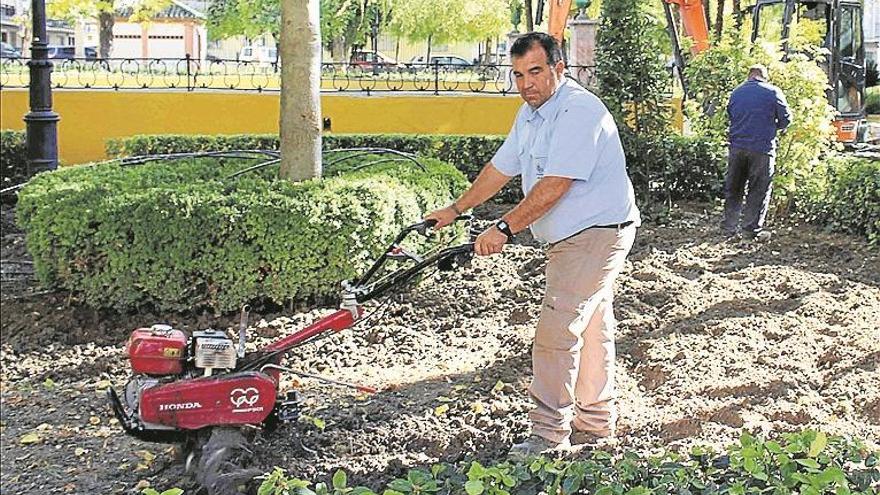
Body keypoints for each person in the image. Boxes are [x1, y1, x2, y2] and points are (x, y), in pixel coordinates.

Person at [425, 32, 640, 458]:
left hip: (596, 232)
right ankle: (596, 423)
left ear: (560, 69)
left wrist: (503, 229)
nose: (527, 84)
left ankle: (547, 435)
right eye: (519, 74)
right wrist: (455, 208)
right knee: (591, 327)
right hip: (574, 236)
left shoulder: (579, 111)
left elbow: (555, 184)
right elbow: (500, 168)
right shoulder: (530, 115)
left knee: (556, 331)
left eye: (536, 72)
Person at [722, 64, 792, 241]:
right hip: (762, 149)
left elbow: (730, 115)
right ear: (764, 77)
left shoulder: (736, 92)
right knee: (758, 189)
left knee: (734, 187)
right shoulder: (773, 92)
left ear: (749, 76)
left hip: (737, 147)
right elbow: (786, 119)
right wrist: (771, 128)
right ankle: (750, 229)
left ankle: (729, 227)